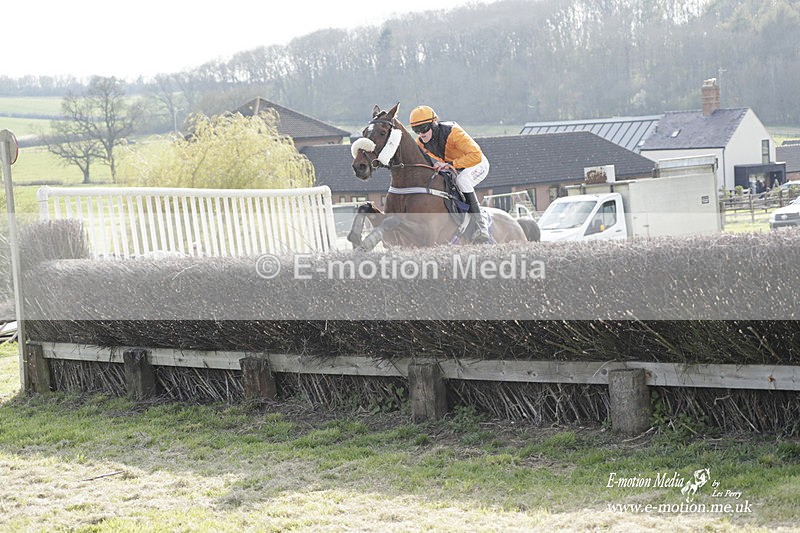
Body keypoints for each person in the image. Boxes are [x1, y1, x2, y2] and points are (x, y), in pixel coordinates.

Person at [409, 105, 490, 244]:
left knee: (462, 181)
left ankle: (481, 226)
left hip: (476, 163)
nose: (421, 134)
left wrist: (451, 164)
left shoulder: (453, 132)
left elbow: (476, 155)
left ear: (434, 123)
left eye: (424, 128)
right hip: (456, 167)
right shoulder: (421, 143)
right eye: (416, 130)